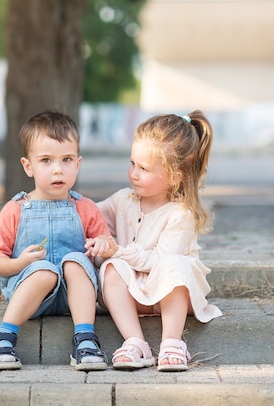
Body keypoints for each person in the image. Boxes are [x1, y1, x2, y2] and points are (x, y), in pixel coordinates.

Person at [85, 110, 222, 372]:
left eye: (144, 168)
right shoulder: (122, 200)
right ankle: (135, 342)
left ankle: (172, 342)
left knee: (173, 265)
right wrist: (101, 236)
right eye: (132, 163)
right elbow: (90, 216)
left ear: (175, 176)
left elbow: (159, 262)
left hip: (171, 295)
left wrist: (118, 250)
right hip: (132, 295)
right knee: (111, 268)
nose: (134, 173)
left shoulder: (180, 213)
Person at [0, 110, 110, 371]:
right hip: (30, 293)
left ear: (78, 163)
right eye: (46, 160)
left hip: (74, 296)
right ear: (28, 166)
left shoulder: (85, 208)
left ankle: (85, 339)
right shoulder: (15, 209)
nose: (57, 169)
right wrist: (20, 263)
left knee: (76, 260)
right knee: (44, 270)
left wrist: (101, 248)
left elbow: (103, 253)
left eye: (66, 159)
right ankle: (4, 338)